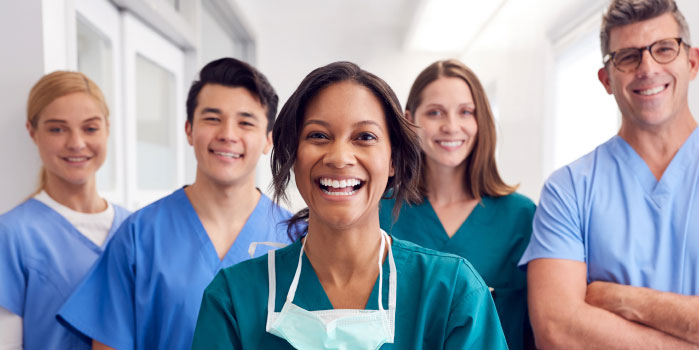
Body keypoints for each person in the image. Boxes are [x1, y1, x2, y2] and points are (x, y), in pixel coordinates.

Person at [191, 61, 507, 349]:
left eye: (364, 137)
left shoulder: (452, 292)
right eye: (318, 135)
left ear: (394, 159)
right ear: (293, 155)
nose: (340, 157)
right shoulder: (234, 298)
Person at [519, 0, 699, 348]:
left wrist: (624, 300)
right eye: (627, 56)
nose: (647, 67)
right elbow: (557, 331)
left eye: (664, 49)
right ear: (606, 79)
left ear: (692, 62)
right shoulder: (567, 189)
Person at [57, 58, 293, 350]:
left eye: (245, 122)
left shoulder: (298, 237)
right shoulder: (138, 236)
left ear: (268, 139)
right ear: (189, 130)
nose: (228, 135)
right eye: (212, 118)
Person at [379, 59, 535, 350]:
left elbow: (533, 329)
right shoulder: (380, 212)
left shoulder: (521, 217)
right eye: (435, 112)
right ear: (410, 119)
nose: (451, 126)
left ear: (481, 121)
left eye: (465, 112)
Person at [0, 71, 130, 349]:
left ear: (107, 129)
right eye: (57, 129)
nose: (76, 143)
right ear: (32, 132)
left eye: (90, 128)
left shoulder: (134, 229)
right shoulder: (12, 235)